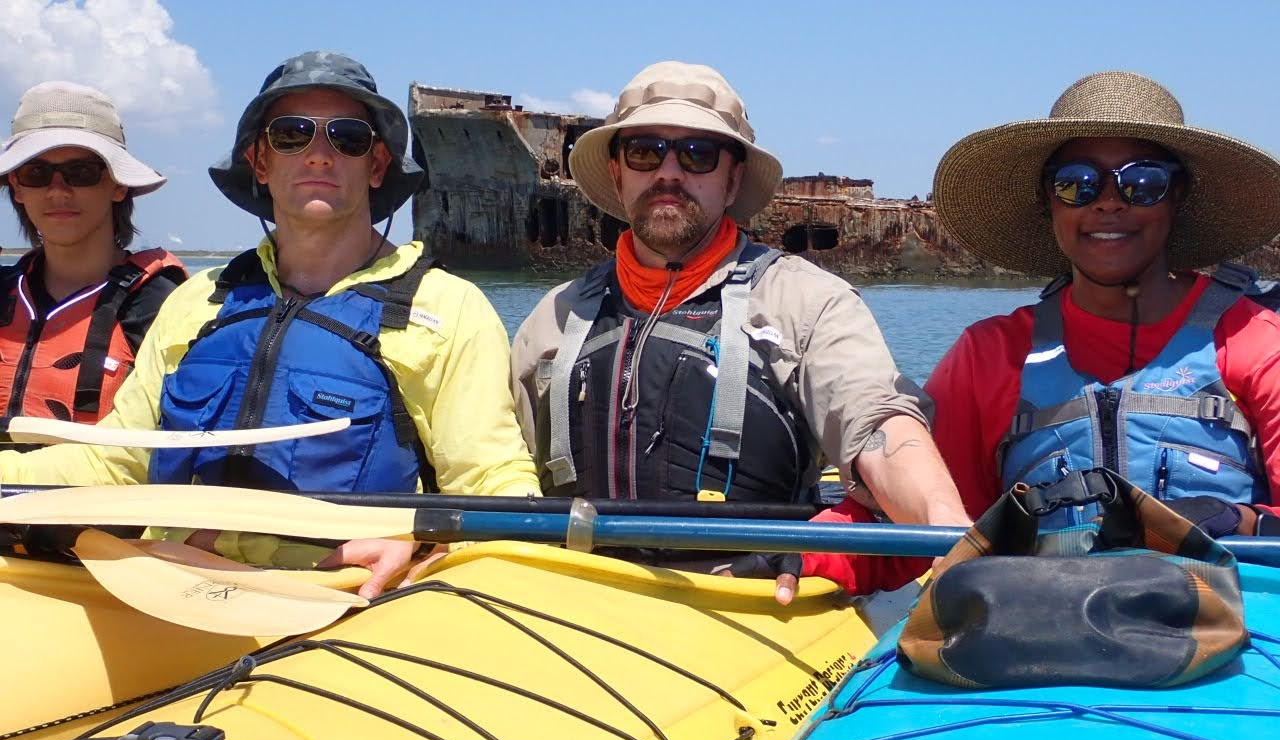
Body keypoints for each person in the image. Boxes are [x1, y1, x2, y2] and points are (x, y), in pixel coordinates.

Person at [0, 52, 539, 596]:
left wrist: (434, 551)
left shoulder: (449, 309)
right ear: (260, 161)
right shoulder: (198, 301)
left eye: (347, 138)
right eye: (291, 135)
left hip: (348, 601)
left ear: (376, 166)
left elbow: (492, 481)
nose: (319, 156)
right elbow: (117, 459)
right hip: (171, 585)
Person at [794, 70, 1280, 597]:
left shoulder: (1255, 340)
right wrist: (800, 554)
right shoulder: (990, 354)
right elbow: (917, 524)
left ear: (1177, 197)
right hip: (1037, 631)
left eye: (1143, 183)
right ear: (1049, 200)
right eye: (1078, 184)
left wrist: (1238, 520)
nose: (1109, 203)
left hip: (1228, 637)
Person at [510, 61, 966, 586]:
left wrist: (947, 535)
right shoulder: (552, 320)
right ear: (616, 171)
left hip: (750, 600)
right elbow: (501, 470)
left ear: (733, 179)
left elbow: (877, 421)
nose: (669, 172)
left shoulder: (807, 302)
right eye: (644, 151)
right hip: (577, 595)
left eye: (698, 154)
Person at [0, 81, 186, 423]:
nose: (58, 190)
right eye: (36, 173)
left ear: (118, 185)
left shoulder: (162, 307)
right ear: (17, 186)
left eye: (80, 172)